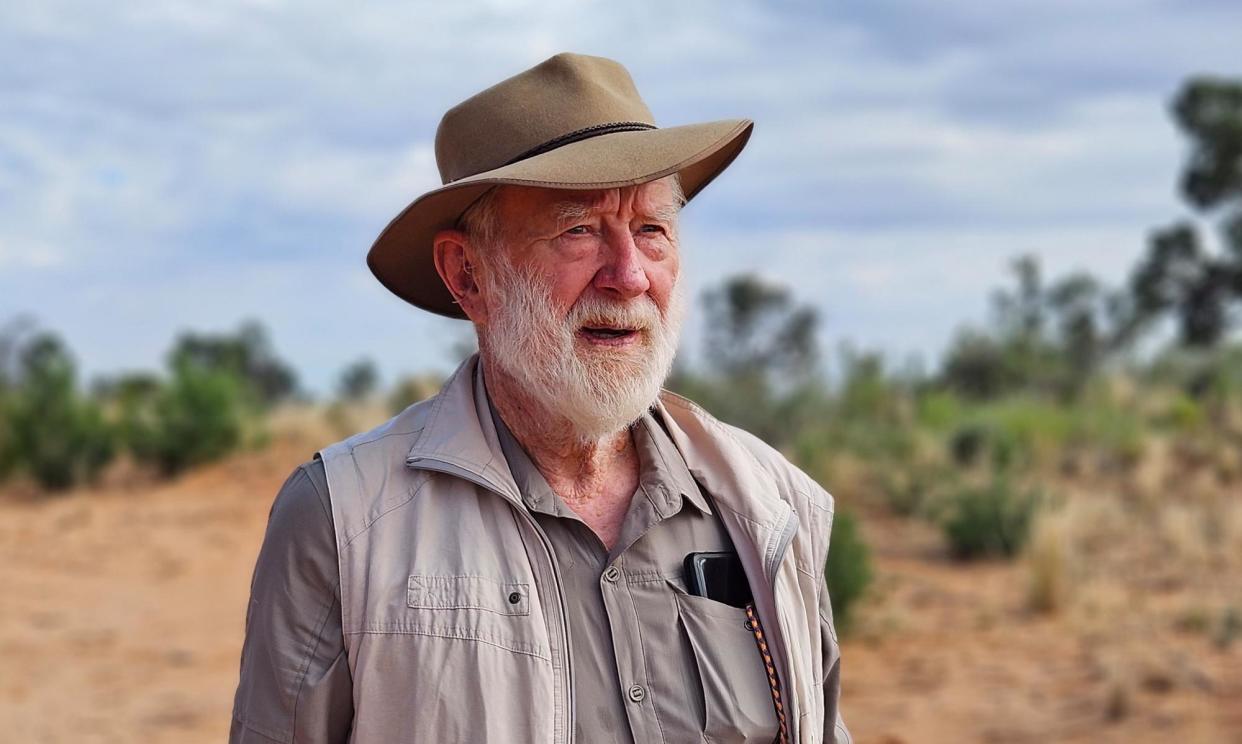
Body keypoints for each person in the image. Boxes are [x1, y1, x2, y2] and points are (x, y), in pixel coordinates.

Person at [229, 52, 851, 744]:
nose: (629, 276)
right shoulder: (342, 520)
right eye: (579, 230)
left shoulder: (773, 507)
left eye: (651, 230)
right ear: (468, 276)